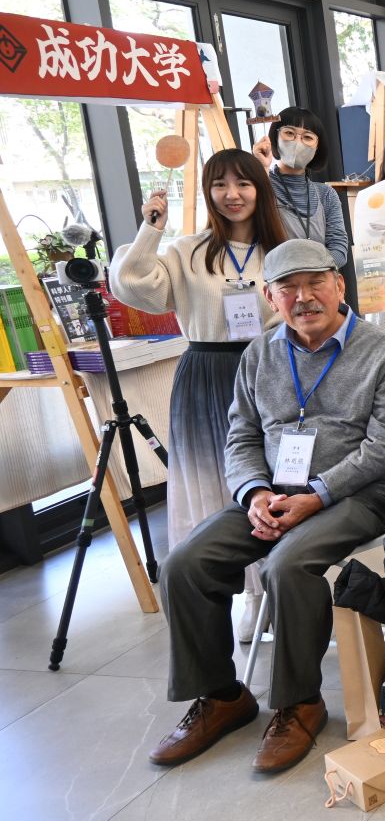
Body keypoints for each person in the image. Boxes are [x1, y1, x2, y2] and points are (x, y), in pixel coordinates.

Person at [148, 240, 385, 773]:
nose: (303, 297)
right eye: (288, 288)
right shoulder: (259, 353)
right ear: (270, 297)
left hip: (354, 497)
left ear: (338, 285)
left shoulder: (384, 351)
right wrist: (254, 493)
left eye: (315, 282)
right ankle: (222, 696)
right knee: (184, 565)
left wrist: (317, 494)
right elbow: (241, 436)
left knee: (287, 566)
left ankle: (300, 703)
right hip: (272, 495)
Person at [113, 149, 287, 640]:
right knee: (214, 484)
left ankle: (274, 586)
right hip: (207, 372)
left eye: (243, 183)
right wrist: (151, 229)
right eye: (219, 184)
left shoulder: (281, 247)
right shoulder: (186, 250)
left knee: (274, 479)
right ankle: (247, 594)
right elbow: (133, 286)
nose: (232, 195)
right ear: (208, 192)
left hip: (271, 369)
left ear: (260, 189)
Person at [258, 107, 350, 270]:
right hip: (273, 281)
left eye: (307, 137)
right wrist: (260, 169)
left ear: (317, 147)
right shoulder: (261, 185)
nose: (298, 142)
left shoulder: (326, 194)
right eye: (289, 133)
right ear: (274, 138)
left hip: (319, 282)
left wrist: (309, 273)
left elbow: (339, 250)